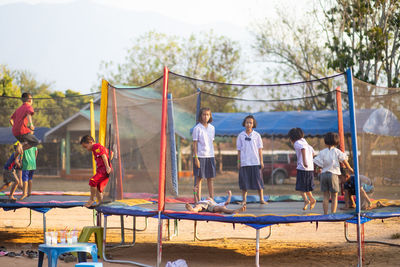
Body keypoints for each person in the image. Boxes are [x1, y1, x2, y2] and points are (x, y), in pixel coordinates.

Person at [313, 132, 354, 215]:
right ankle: (333, 214)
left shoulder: (322, 152)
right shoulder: (336, 151)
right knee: (334, 196)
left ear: (326, 141)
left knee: (325, 196)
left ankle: (325, 214)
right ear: (336, 141)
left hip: (323, 175)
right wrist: (349, 168)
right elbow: (344, 160)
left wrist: (318, 169)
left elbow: (318, 164)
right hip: (333, 174)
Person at [237, 115, 266, 205]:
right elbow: (239, 150)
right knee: (244, 183)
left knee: (259, 181)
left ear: (253, 124)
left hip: (255, 162)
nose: (249, 124)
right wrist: (239, 162)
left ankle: (261, 199)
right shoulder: (241, 135)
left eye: (250, 123)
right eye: (247, 122)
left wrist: (261, 161)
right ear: (244, 123)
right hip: (244, 163)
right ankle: (244, 200)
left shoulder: (257, 135)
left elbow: (260, 149)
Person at [288, 128, 316, 210]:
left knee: (300, 187)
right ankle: (311, 199)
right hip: (310, 169)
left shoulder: (297, 143)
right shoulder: (306, 143)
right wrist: (309, 160)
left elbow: (303, 150)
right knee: (306, 187)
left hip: (302, 168)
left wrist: (304, 161)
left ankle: (307, 200)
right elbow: (313, 153)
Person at [80, 135, 112, 207]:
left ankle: (91, 199)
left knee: (92, 181)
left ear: (91, 142)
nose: (86, 149)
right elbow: (109, 153)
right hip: (101, 170)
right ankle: (101, 203)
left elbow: (103, 155)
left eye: (86, 147)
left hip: (104, 169)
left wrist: (107, 167)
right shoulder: (96, 149)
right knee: (98, 187)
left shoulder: (96, 146)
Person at [192, 107, 216, 203]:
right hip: (200, 156)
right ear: (201, 116)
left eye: (207, 114)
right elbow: (194, 144)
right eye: (204, 114)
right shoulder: (197, 128)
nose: (205, 116)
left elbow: (211, 142)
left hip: (210, 156)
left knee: (210, 178)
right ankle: (197, 200)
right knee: (199, 179)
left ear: (210, 116)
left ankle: (212, 198)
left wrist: (213, 156)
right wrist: (196, 158)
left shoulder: (212, 128)